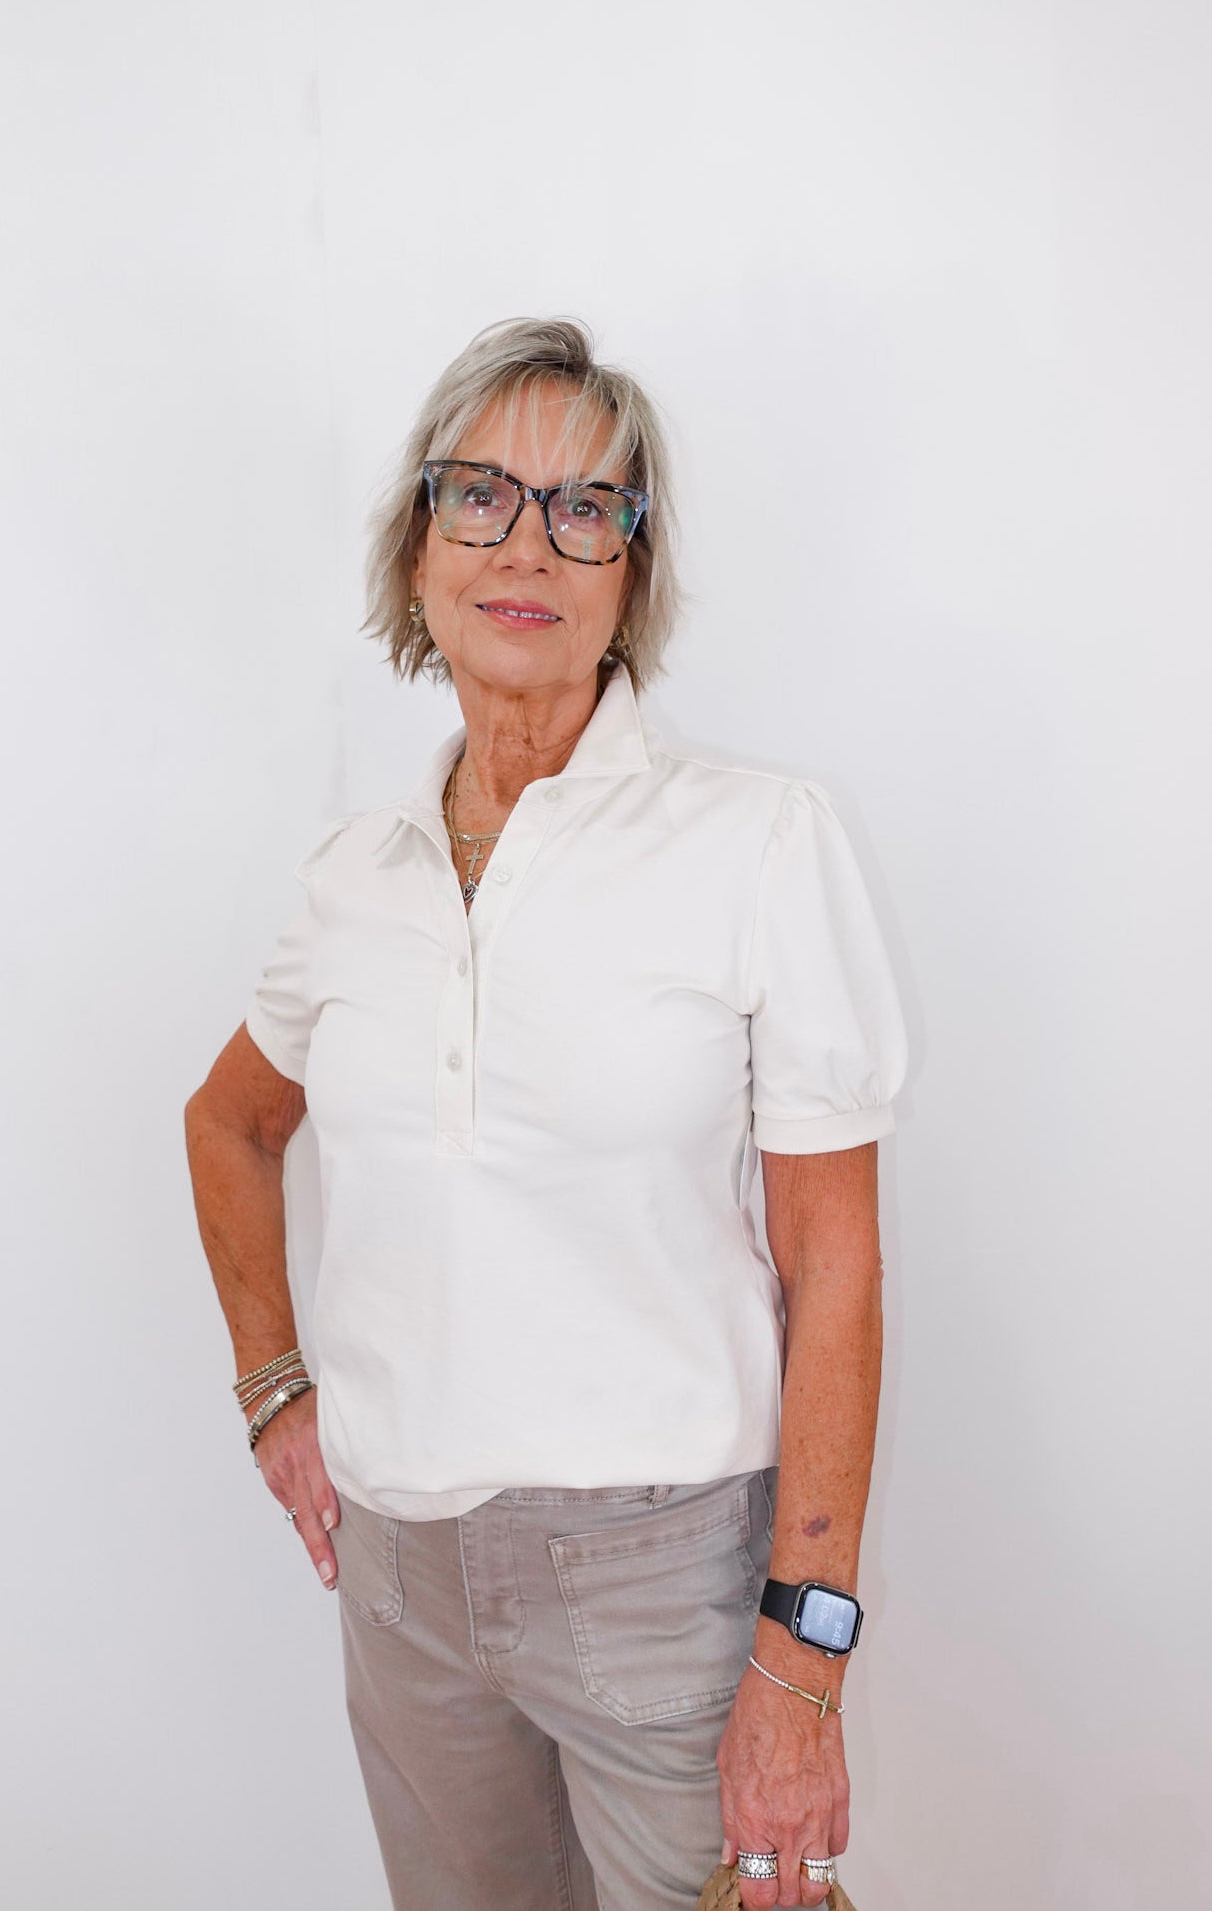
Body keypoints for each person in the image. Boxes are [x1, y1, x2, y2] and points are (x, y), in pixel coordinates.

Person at [184, 317, 907, 1911]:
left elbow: (832, 1265)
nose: (530, 543)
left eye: (586, 508)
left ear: (631, 573)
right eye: (480, 496)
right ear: (417, 550)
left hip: (664, 1582)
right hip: (397, 1582)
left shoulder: (760, 844)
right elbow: (229, 1125)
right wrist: (273, 1390)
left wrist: (803, 1656)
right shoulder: (351, 877)